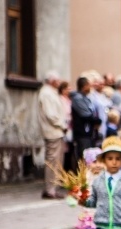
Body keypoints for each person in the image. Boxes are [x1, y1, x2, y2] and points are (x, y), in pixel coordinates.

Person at [38, 71, 68, 199]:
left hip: (56, 131)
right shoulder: (46, 93)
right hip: (53, 131)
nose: (59, 82)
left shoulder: (50, 93)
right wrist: (62, 124)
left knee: (57, 162)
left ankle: (53, 188)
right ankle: (50, 190)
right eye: (57, 80)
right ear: (51, 81)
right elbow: (51, 114)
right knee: (53, 162)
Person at [77, 148, 103, 229]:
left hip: (103, 212)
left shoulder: (105, 176)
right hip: (89, 212)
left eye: (100, 161)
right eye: (94, 162)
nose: (97, 165)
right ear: (88, 163)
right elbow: (80, 193)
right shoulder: (85, 177)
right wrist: (77, 197)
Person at [71, 77, 99, 161]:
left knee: (90, 157)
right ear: (84, 86)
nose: (90, 87)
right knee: (84, 157)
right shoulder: (78, 98)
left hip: (89, 132)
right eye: (88, 85)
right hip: (82, 133)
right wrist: (96, 120)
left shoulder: (85, 98)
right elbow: (85, 114)